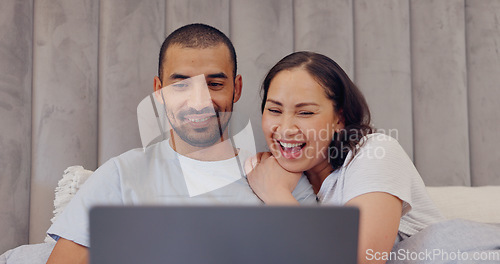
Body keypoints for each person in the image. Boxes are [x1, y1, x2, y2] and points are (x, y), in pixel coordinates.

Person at [46, 24, 316, 263]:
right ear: (158, 91)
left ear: (236, 88)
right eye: (181, 85)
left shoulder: (280, 177)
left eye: (214, 83)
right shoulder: (120, 175)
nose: (199, 101)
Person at [245, 51, 445, 264]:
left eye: (305, 113)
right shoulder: (277, 174)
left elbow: (359, 260)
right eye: (274, 110)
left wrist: (276, 194)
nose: (285, 130)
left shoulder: (376, 152)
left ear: (339, 118)